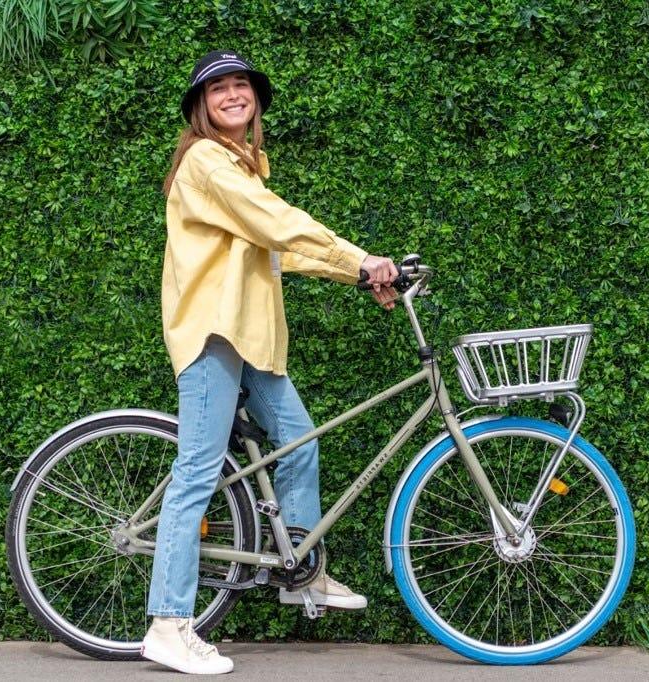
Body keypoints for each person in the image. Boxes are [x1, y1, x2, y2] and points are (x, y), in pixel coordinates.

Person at [140, 50, 398, 675]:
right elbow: (276, 222)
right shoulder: (206, 161)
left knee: (299, 440)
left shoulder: (243, 165)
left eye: (242, 85)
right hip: (213, 333)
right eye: (218, 88)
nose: (233, 95)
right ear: (201, 106)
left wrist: (357, 274)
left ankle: (301, 570)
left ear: (254, 99)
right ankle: (168, 625)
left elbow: (276, 250)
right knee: (197, 472)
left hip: (249, 336)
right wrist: (360, 256)